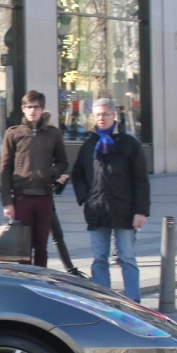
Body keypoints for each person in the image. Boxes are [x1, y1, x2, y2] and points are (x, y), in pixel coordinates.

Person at [69, 98, 150, 300]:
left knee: (127, 257)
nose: (101, 118)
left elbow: (141, 178)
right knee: (99, 259)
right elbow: (77, 174)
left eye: (105, 114)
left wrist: (141, 211)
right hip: (97, 209)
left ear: (114, 115)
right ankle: (102, 302)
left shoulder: (129, 143)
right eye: (97, 115)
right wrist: (85, 198)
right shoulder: (89, 144)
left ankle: (134, 302)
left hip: (125, 209)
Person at [0, 90, 69, 268]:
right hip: (22, 196)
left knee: (41, 246)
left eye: (36, 107)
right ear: (23, 108)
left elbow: (63, 161)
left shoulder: (53, 134)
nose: (33, 111)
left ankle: (40, 282)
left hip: (44, 196)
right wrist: (7, 202)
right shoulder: (13, 134)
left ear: (42, 109)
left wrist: (51, 173)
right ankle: (24, 282)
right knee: (23, 246)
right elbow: (4, 169)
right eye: (29, 107)